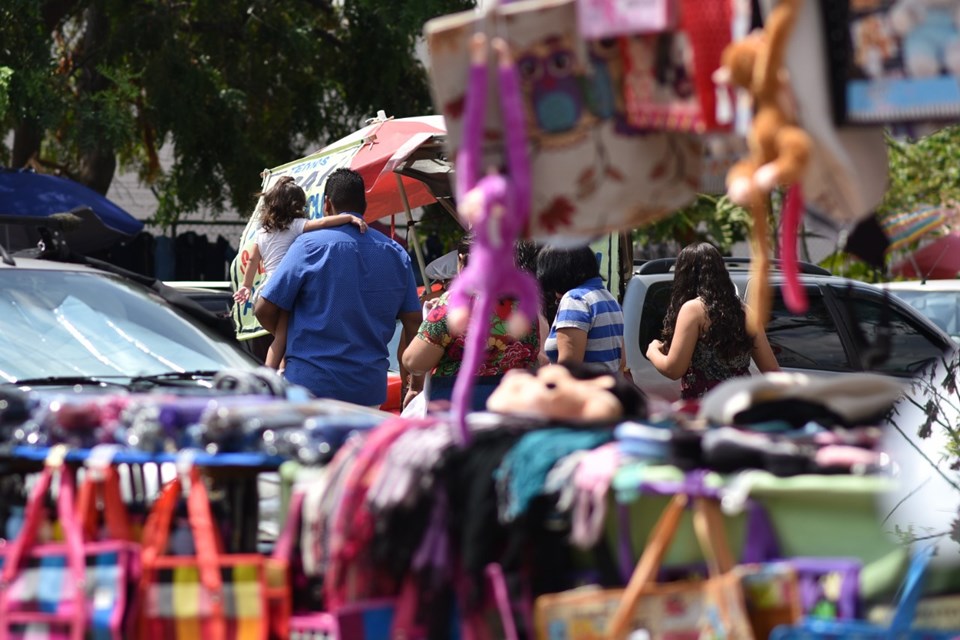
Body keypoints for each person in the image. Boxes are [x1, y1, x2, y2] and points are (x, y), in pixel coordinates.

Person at [254, 168, 423, 407]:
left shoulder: (308, 246)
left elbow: (264, 309)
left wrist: (287, 336)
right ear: (364, 206)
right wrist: (414, 385)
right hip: (368, 391)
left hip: (309, 388)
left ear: (326, 204)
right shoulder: (396, 254)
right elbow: (414, 322)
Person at [234, 176, 367, 370]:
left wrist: (246, 286)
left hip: (264, 291)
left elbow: (253, 259)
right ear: (297, 206)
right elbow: (322, 224)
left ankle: (278, 370)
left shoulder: (262, 231)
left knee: (285, 337)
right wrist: (348, 217)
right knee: (282, 338)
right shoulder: (295, 225)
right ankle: (272, 372)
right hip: (284, 288)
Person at [401, 235, 540, 411]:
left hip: (459, 407)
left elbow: (414, 361)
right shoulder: (526, 302)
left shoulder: (454, 304)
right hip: (514, 405)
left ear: (461, 260)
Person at [645, 242, 780, 399]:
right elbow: (771, 370)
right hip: (741, 403)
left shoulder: (693, 309)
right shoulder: (744, 311)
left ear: (685, 275)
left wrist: (652, 350)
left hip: (706, 406)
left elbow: (673, 370)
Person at [537, 245, 625, 373]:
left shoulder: (575, 300)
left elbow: (568, 370)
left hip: (581, 391)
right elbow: (622, 362)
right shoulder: (609, 299)